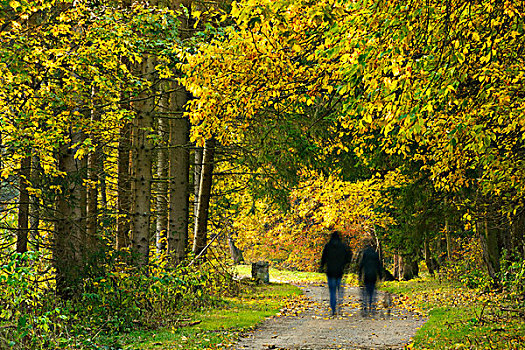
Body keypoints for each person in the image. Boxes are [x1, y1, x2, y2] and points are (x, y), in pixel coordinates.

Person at [320, 230, 352, 316]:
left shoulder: (328, 246)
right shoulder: (343, 247)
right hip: (339, 271)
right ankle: (340, 307)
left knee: (332, 291)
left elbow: (323, 258)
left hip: (330, 271)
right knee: (340, 290)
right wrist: (345, 265)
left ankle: (333, 309)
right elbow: (349, 257)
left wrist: (322, 267)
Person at [359, 241, 383, 316]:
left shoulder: (364, 254)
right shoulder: (375, 254)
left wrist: (360, 276)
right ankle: (372, 307)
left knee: (365, 291)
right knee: (372, 292)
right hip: (373, 275)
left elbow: (361, 265)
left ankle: (364, 307)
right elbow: (379, 266)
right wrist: (380, 275)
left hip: (366, 275)